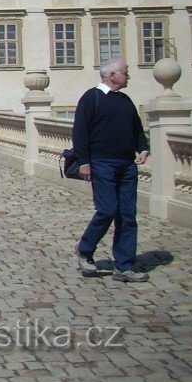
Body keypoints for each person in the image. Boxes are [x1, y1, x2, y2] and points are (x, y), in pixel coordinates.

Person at [72, 57, 150, 283]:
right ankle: (85, 249)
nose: (129, 76)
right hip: (102, 163)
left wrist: (143, 148)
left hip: (127, 164)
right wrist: (84, 162)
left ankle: (124, 265)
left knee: (128, 215)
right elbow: (80, 132)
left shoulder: (125, 100)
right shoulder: (91, 98)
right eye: (125, 72)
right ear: (112, 75)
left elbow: (136, 129)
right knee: (107, 210)